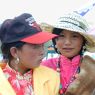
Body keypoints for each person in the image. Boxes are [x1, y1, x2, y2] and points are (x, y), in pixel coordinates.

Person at [0, 13, 60, 95]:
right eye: (35, 46)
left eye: (42, 45)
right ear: (14, 52)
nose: (42, 51)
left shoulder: (52, 77)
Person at [41, 12, 95, 95]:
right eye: (62, 36)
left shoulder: (92, 68)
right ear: (55, 40)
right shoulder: (43, 67)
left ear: (83, 41)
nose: (67, 42)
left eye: (74, 36)